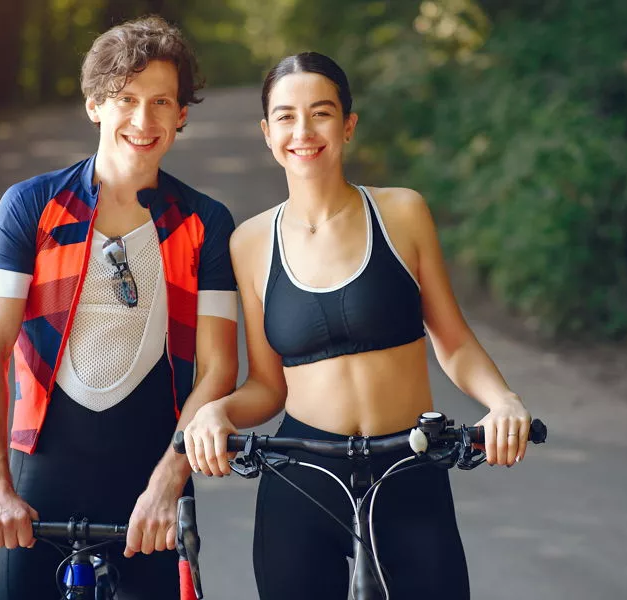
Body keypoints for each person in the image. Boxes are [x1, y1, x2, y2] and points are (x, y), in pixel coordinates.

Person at [181, 52, 532, 600]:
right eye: (286, 116)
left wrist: (503, 400)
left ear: (348, 125)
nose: (304, 131)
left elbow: (454, 341)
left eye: (321, 113)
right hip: (303, 474)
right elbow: (268, 386)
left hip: (409, 463)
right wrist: (216, 411)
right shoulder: (249, 243)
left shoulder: (402, 212)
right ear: (267, 132)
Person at [0, 16, 238, 600]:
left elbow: (218, 370)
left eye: (162, 101)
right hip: (41, 473)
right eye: (126, 99)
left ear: (182, 114)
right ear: (94, 105)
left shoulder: (205, 222)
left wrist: (169, 485)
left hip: (152, 480)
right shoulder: (31, 207)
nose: (144, 120)